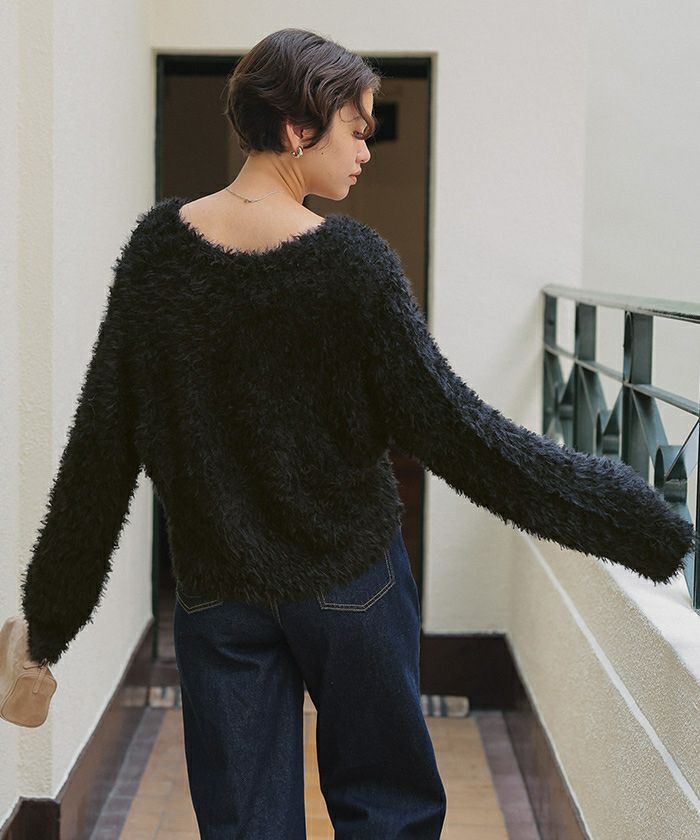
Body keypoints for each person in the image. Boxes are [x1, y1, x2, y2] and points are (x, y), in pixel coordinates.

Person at [19, 27, 696, 840]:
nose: (366, 151)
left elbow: (98, 454)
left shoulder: (156, 253)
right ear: (299, 128)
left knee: (244, 825)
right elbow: (463, 437)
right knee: (388, 812)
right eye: (356, 130)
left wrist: (47, 624)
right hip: (352, 584)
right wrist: (640, 522)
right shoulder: (354, 265)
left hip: (216, 592)